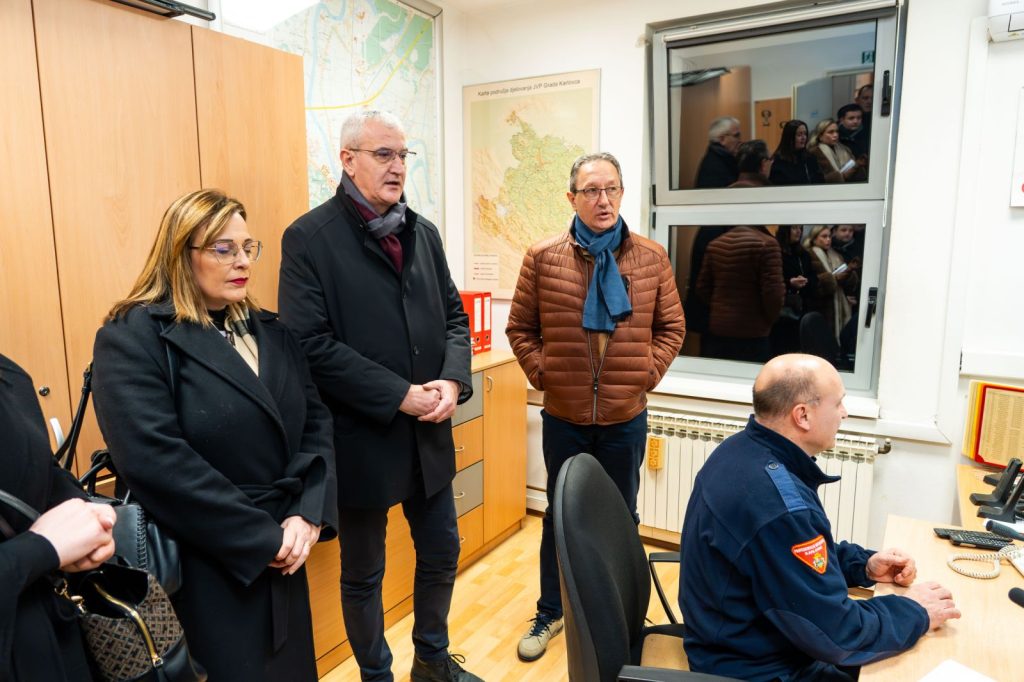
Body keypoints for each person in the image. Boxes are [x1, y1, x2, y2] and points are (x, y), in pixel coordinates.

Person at [92, 189, 337, 682]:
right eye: (223, 249)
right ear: (181, 253)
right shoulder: (133, 336)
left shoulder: (272, 331)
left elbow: (316, 424)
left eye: (248, 248)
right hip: (205, 563)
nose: (242, 261)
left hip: (285, 551)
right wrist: (262, 538)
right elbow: (155, 461)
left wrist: (308, 513)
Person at [278, 110, 478, 682]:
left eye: (402, 155)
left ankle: (432, 663)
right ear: (348, 160)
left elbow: (454, 317)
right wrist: (399, 395)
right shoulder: (309, 239)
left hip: (429, 433)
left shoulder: (423, 232)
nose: (397, 167)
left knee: (442, 551)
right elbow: (309, 345)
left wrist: (452, 380)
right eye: (383, 154)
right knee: (364, 573)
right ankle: (376, 675)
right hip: (362, 438)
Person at [679, 354, 961, 681]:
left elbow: (784, 562)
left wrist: (862, 565)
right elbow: (838, 635)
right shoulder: (778, 506)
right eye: (838, 403)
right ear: (803, 415)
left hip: (741, 642)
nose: (844, 412)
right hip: (759, 669)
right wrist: (916, 611)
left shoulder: (739, 450)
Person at [506, 152, 685, 662]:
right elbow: (520, 329)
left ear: (622, 193)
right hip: (564, 417)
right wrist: (545, 376)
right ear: (572, 198)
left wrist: (643, 376)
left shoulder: (651, 257)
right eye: (591, 191)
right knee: (558, 517)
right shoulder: (543, 257)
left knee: (622, 516)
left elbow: (672, 327)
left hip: (625, 418)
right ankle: (551, 610)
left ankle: (624, 614)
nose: (602, 200)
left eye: (611, 189)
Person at [0, 353, 117, 681]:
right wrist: (41, 548)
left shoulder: (8, 372)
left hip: (53, 627)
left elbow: (42, 468)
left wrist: (84, 515)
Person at [695, 220, 784, 363]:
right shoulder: (768, 244)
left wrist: (720, 308)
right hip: (753, 332)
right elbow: (774, 294)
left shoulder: (716, 244)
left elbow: (702, 287)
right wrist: (769, 320)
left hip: (719, 329)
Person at [804, 225, 860, 344]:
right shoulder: (808, 255)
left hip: (839, 306)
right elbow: (812, 284)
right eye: (824, 236)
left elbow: (850, 286)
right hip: (820, 308)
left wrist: (849, 272)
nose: (828, 240)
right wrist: (834, 278)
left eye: (829, 236)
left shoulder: (836, 255)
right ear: (814, 238)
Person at [770, 225, 818, 356]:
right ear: (786, 230)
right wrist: (790, 283)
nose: (798, 232)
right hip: (782, 311)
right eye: (794, 228)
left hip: (802, 308)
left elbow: (814, 277)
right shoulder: (776, 252)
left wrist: (806, 281)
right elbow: (772, 281)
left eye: (800, 229)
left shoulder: (803, 254)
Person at [808, 118, 866, 183]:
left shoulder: (844, 149)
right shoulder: (814, 152)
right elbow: (818, 180)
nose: (835, 135)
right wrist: (842, 176)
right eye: (830, 132)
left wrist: (858, 165)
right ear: (820, 136)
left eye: (837, 131)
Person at [769, 119, 825, 186]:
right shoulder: (779, 161)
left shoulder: (810, 157)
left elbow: (820, 180)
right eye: (799, 135)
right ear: (789, 137)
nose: (803, 138)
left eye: (805, 134)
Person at [694, 116, 741, 188]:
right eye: (736, 135)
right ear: (722, 139)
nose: (739, 140)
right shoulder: (715, 164)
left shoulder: (721, 157)